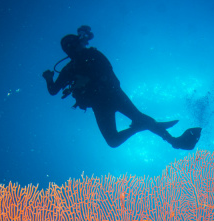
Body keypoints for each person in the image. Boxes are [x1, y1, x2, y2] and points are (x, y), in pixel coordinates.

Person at [43, 26, 201, 150]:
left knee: (137, 120)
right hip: (100, 103)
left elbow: (108, 71)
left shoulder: (92, 56)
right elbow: (53, 90)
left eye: (72, 46)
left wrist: (88, 79)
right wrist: (49, 79)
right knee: (113, 140)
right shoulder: (69, 69)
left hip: (112, 94)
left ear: (78, 44)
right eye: (68, 48)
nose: (71, 50)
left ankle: (173, 141)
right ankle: (147, 129)